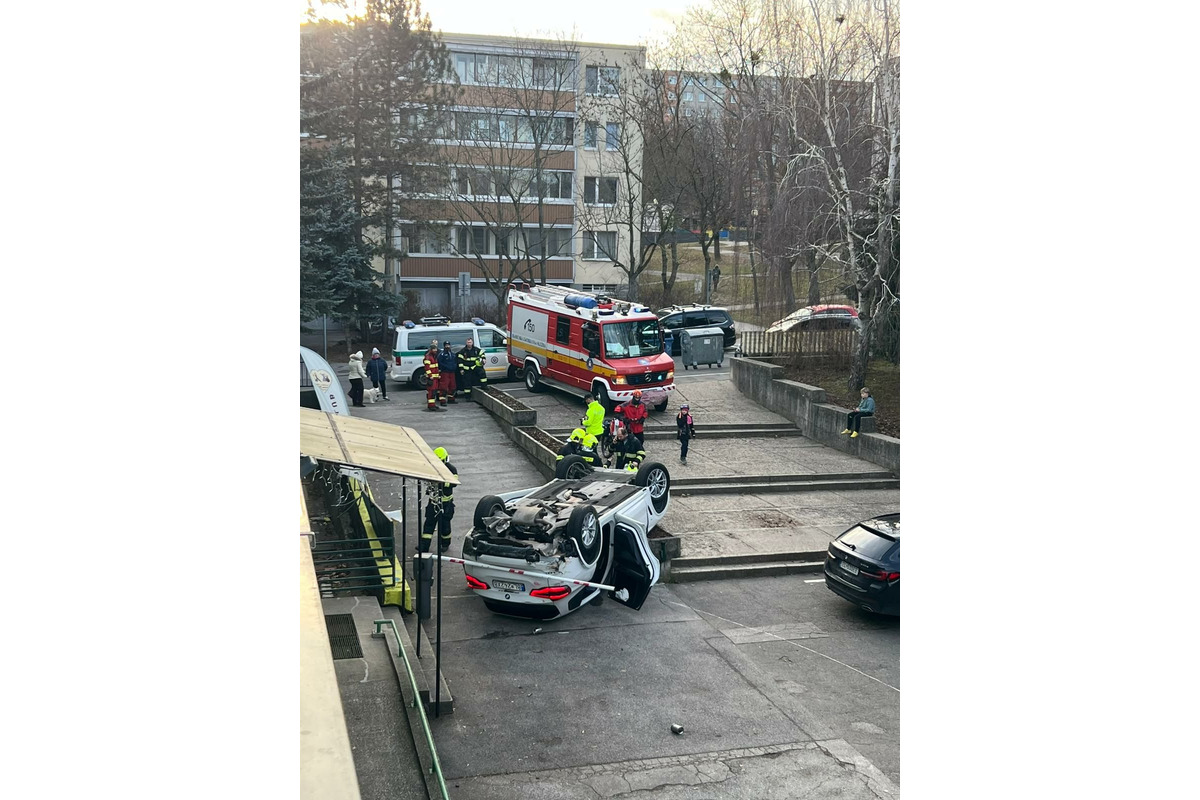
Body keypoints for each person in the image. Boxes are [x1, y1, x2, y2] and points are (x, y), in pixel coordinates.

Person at [420, 446, 458, 553]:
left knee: (445, 526)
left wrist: (441, 482)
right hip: (434, 502)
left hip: (446, 503)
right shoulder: (433, 468)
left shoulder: (452, 469)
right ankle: (424, 546)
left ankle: (445, 544)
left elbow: (453, 483)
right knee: (429, 524)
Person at [422, 339, 443, 412]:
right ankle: (430, 405)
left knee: (434, 392)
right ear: (431, 349)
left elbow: (436, 367)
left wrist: (438, 375)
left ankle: (433, 404)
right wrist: (430, 375)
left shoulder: (434, 356)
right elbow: (427, 368)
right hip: (431, 378)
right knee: (431, 392)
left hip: (435, 377)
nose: (435, 350)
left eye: (436, 349)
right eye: (434, 349)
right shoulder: (428, 357)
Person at [437, 340, 458, 405]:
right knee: (443, 386)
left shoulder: (452, 354)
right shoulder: (442, 354)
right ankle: (442, 401)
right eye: (446, 345)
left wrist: (454, 367)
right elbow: (440, 363)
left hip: (452, 372)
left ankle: (451, 399)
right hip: (445, 372)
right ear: (444, 346)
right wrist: (446, 367)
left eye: (448, 345)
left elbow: (455, 362)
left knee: (452, 386)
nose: (447, 346)